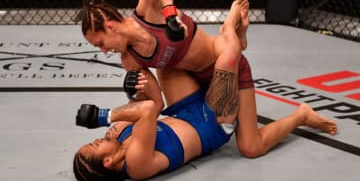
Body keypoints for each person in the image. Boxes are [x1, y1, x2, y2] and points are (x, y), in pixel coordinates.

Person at [73, 68, 337, 181]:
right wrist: (103, 116)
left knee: (153, 65)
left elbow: (155, 102)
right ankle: (301, 114)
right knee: (227, 59)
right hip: (212, 125)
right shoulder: (136, 164)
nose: (94, 140)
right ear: (107, 162)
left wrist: (135, 87)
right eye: (92, 147)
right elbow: (149, 109)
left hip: (184, 109)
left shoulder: (118, 134)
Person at [80, 0, 251, 126]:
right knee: (198, 125)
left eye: (100, 43)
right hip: (190, 78)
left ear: (110, 27)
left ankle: (230, 30)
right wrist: (132, 93)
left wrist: (170, 16)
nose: (103, 51)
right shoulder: (130, 59)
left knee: (251, 147)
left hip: (222, 62)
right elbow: (154, 104)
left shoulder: (148, 12)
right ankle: (233, 36)